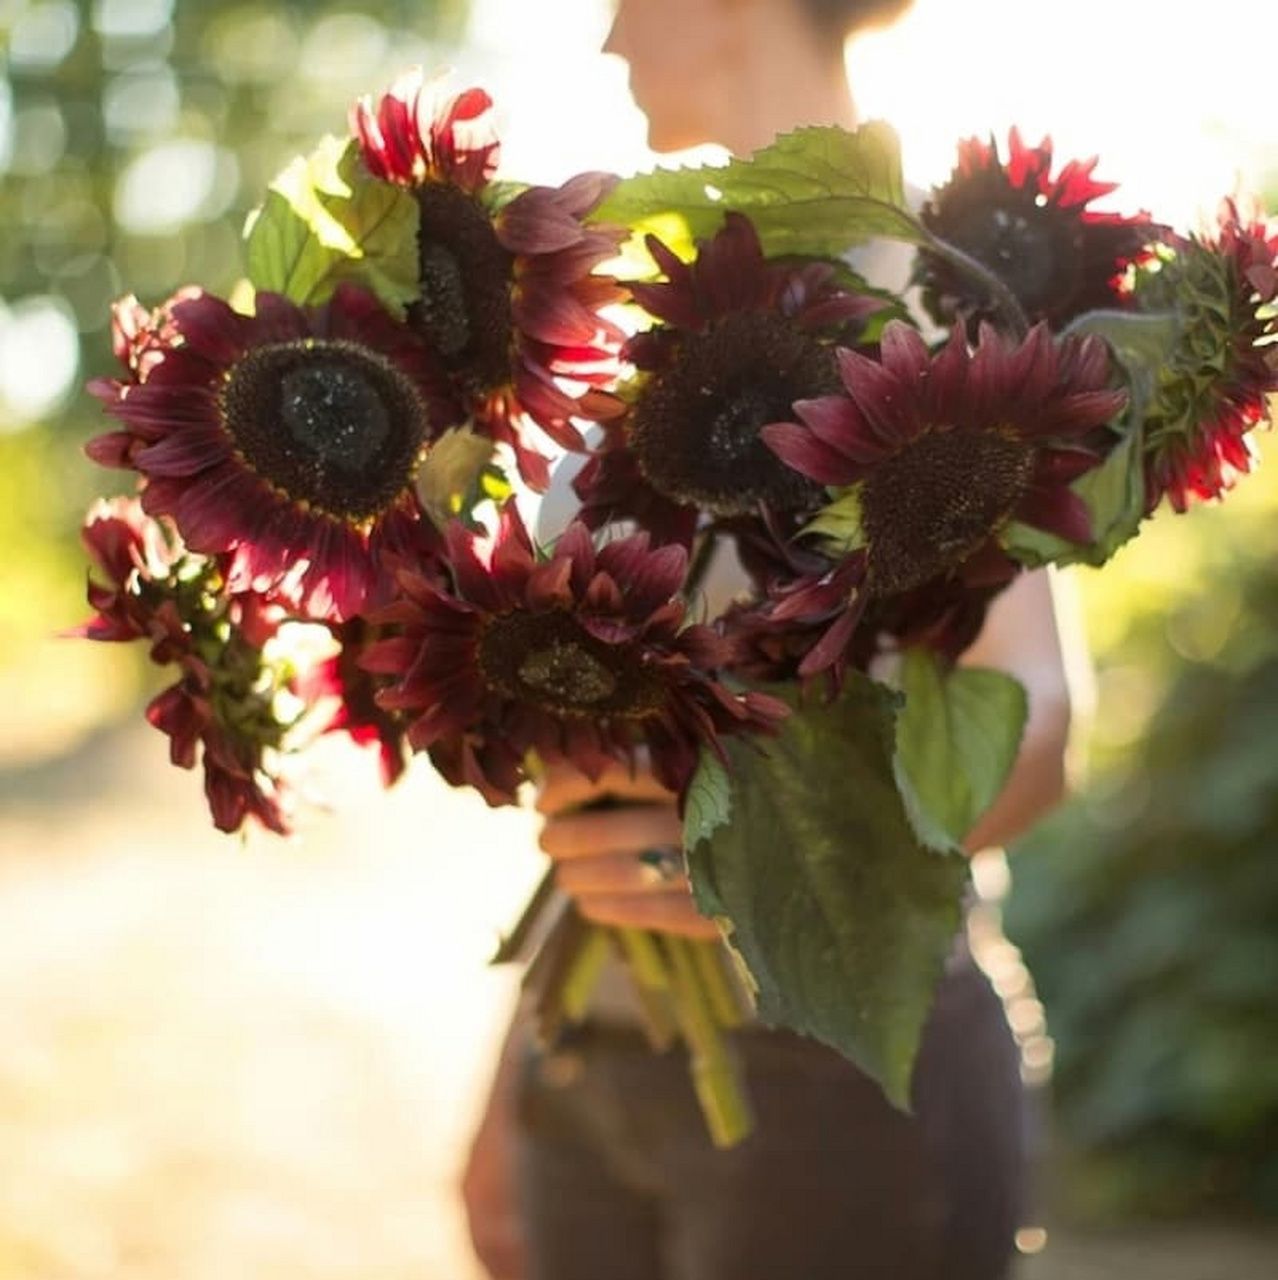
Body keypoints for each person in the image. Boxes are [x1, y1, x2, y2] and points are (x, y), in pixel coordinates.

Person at [462, 2, 1082, 1276]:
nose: (609, 45)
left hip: (839, 1077)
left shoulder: (939, 287)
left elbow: (1037, 719)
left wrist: (778, 868)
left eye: (628, 1)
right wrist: (515, 1072)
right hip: (591, 1070)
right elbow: (602, 773)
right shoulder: (640, 317)